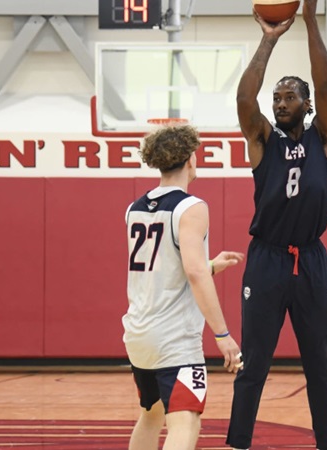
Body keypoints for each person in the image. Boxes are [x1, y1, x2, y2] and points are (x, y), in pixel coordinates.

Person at [226, 1, 327, 449]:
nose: (280, 103)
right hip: (267, 261)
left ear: (307, 105)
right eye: (276, 97)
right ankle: (237, 443)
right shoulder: (262, 141)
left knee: (319, 365)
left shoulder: (324, 136)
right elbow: (243, 100)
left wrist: (311, 19)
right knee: (254, 364)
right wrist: (268, 39)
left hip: (311, 260)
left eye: (289, 96)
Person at [123, 123, 245, 450]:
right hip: (174, 339)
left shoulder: (134, 209)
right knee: (186, 419)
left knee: (151, 414)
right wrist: (222, 335)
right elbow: (193, 272)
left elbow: (166, 270)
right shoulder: (191, 207)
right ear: (191, 159)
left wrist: (212, 265)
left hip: (139, 335)